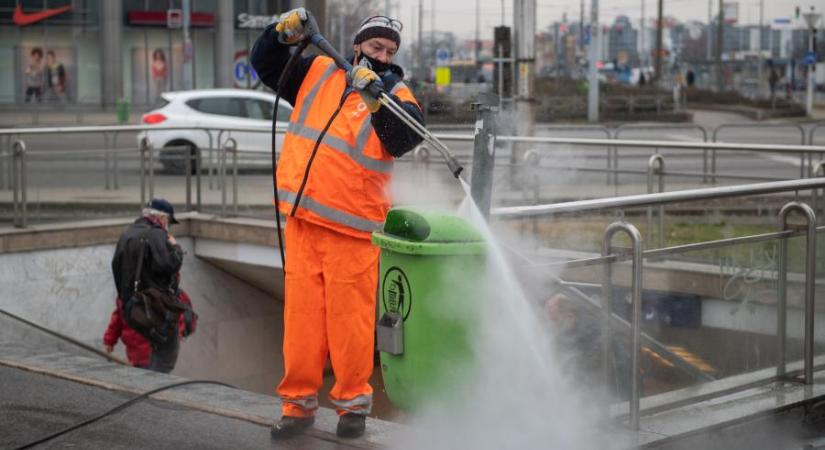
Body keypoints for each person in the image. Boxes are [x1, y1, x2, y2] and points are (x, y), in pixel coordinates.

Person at [250, 9, 424, 440]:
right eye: (375, 46)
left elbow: (406, 138)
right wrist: (280, 32)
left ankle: (352, 407)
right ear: (358, 45)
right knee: (302, 321)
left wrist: (375, 98)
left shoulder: (397, 93)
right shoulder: (319, 71)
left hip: (353, 229)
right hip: (305, 220)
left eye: (389, 50)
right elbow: (265, 64)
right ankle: (297, 406)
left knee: (351, 325)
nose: (381, 54)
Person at [111, 198, 184, 373]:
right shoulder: (157, 235)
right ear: (163, 218)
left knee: (150, 355)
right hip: (153, 308)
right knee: (166, 354)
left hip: (131, 309)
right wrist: (176, 248)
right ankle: (152, 394)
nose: (168, 226)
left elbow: (115, 267)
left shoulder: (127, 234)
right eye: (168, 222)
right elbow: (169, 265)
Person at [103, 289, 196, 370]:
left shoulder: (165, 297)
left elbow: (178, 321)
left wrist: (175, 335)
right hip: (134, 354)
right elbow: (119, 317)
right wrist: (109, 340)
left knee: (150, 378)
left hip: (153, 356)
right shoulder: (127, 294)